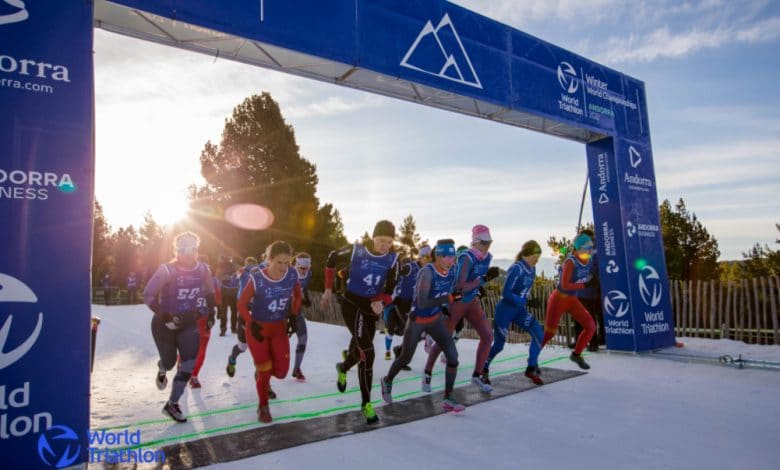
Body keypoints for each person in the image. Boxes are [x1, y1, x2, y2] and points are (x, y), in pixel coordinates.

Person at [320, 220, 400, 424]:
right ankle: (366, 405)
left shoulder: (392, 259)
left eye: (389, 242)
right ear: (373, 237)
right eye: (381, 240)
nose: (385, 245)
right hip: (352, 303)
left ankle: (343, 367)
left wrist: (382, 301)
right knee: (369, 352)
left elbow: (391, 289)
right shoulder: (357, 250)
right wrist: (328, 289)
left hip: (371, 308)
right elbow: (332, 258)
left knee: (360, 349)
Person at [381, 239, 465, 412]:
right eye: (447, 257)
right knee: (406, 357)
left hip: (435, 320)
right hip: (417, 321)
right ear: (438, 256)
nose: (451, 261)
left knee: (453, 357)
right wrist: (448, 300)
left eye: (453, 256)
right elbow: (422, 302)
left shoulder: (453, 269)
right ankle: (387, 380)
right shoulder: (427, 272)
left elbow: (456, 287)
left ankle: (448, 397)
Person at [143, 231, 217, 422]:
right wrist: (164, 314)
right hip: (164, 324)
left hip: (189, 322)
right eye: (183, 249)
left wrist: (212, 313)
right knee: (169, 363)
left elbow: (209, 292)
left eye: (192, 248)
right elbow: (148, 295)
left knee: (188, 364)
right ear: (176, 250)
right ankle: (162, 367)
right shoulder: (167, 270)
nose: (188, 253)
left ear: (197, 250)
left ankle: (172, 403)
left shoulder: (203, 270)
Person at [424, 225, 499, 393]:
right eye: (484, 243)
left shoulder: (488, 257)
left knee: (488, 336)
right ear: (475, 242)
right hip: (456, 302)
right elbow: (461, 285)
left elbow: (476, 281)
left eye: (490, 242)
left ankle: (477, 375)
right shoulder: (467, 258)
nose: (488, 246)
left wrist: (481, 286)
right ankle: (427, 372)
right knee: (444, 340)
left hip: (471, 302)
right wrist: (482, 281)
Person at [237, 241, 301, 423]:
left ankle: (261, 375)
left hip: (279, 328)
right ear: (270, 259)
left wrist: (294, 316)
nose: (283, 267)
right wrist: (250, 322)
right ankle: (263, 406)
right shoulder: (257, 278)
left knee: (281, 373)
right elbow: (241, 304)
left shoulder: (291, 275)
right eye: (279, 262)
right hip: (258, 330)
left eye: (287, 263)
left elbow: (298, 296)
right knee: (265, 370)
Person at [482, 240, 546, 386]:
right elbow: (506, 292)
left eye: (539, 256)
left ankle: (531, 367)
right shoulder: (517, 268)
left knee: (538, 333)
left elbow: (523, 292)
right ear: (527, 255)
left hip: (518, 311)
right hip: (504, 311)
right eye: (535, 256)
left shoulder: (532, 269)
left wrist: (530, 301)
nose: (537, 259)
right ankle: (483, 368)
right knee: (499, 345)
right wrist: (520, 300)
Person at [542, 233, 597, 369]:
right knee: (549, 333)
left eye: (591, 247)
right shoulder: (570, 262)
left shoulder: (589, 261)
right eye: (587, 248)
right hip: (559, 299)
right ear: (578, 249)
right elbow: (564, 285)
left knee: (590, 327)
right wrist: (585, 284)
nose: (590, 250)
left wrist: (591, 279)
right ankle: (532, 358)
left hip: (572, 299)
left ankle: (576, 355)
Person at [386, 245, 432, 366]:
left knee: (420, 332)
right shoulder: (410, 267)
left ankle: (400, 351)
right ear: (421, 257)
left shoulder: (428, 270)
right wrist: (392, 293)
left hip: (415, 304)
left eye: (430, 257)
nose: (429, 259)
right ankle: (401, 356)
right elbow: (394, 273)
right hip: (402, 302)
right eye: (426, 257)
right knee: (415, 330)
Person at [189, 255, 222, 388]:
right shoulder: (187, 279)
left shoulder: (212, 280)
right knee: (190, 347)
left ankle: (194, 375)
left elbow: (217, 296)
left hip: (205, 318)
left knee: (201, 349)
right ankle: (186, 370)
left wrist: (217, 310)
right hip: (190, 318)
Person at [226, 256, 258, 378]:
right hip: (245, 309)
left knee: (259, 344)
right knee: (243, 346)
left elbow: (232, 282)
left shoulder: (255, 271)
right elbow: (234, 280)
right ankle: (232, 359)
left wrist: (228, 280)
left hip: (257, 310)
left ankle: (260, 373)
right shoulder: (243, 270)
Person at [574, 229, 604, 352]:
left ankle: (594, 342)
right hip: (578, 288)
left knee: (590, 315)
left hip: (589, 287)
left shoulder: (595, 248)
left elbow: (594, 264)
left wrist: (590, 277)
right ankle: (580, 341)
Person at [289, 252, 313, 381]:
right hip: (282, 310)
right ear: (296, 265)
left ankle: (297, 368)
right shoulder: (289, 273)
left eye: (307, 267)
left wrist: (306, 297)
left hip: (296, 310)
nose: (304, 271)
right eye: (301, 268)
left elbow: (304, 288)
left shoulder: (309, 274)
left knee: (303, 338)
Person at [218, 259, 239, 336]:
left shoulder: (233, 266)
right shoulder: (223, 266)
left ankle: (227, 329)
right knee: (230, 310)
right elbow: (219, 277)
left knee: (230, 310)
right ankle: (228, 329)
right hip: (229, 290)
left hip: (229, 290)